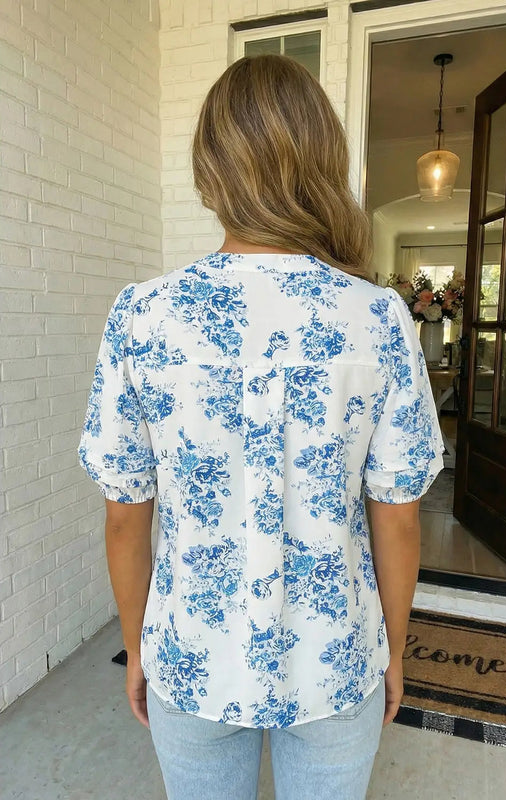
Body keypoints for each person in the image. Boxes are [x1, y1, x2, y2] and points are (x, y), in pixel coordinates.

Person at [78, 55, 443, 800]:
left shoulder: (142, 316)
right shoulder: (378, 319)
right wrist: (391, 652)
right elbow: (397, 520)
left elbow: (124, 519)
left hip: (193, 652)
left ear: (209, 170)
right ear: (321, 162)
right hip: (335, 655)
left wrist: (137, 644)